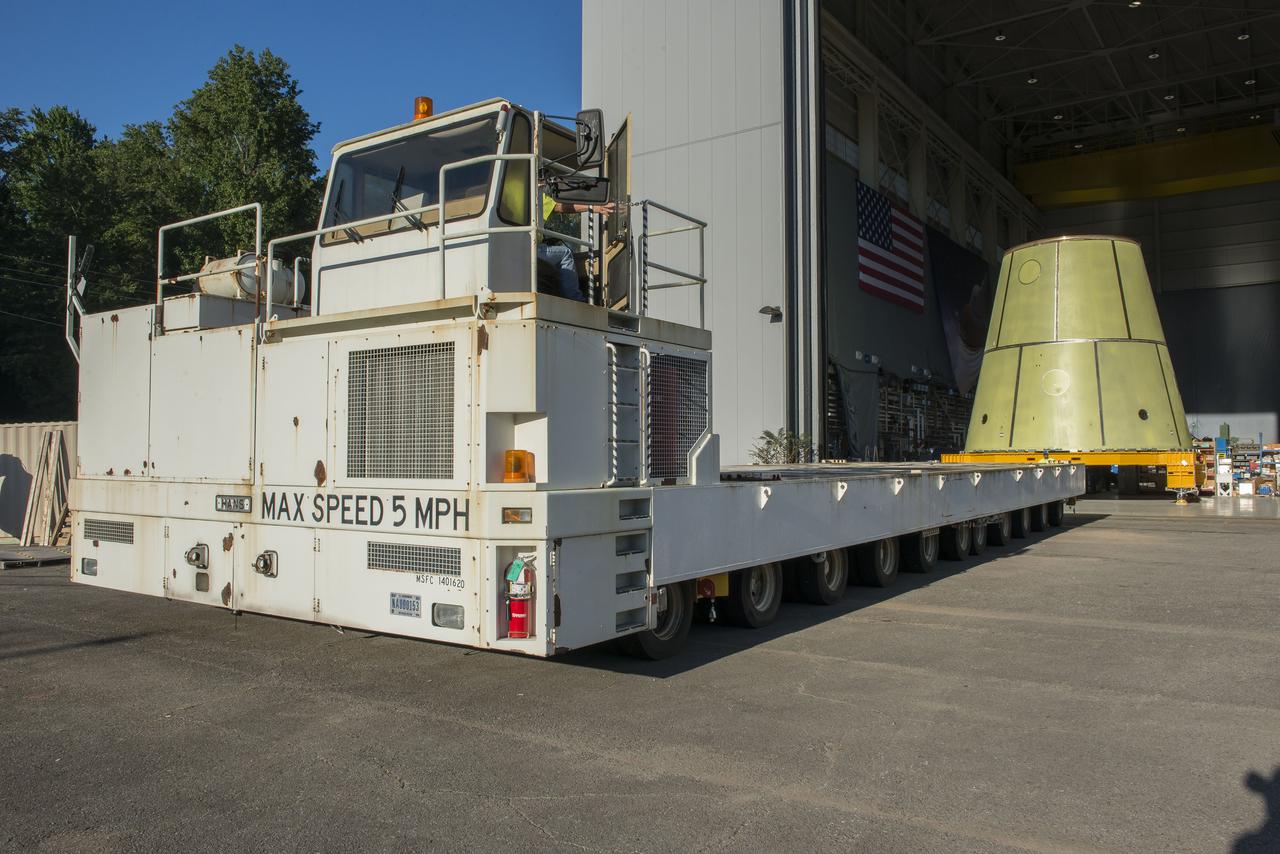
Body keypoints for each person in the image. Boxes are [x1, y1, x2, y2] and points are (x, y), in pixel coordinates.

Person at [537, 193, 615, 302]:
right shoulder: (534, 194)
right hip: (530, 250)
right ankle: (576, 299)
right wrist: (594, 207)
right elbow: (559, 207)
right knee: (565, 254)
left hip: (523, 250)